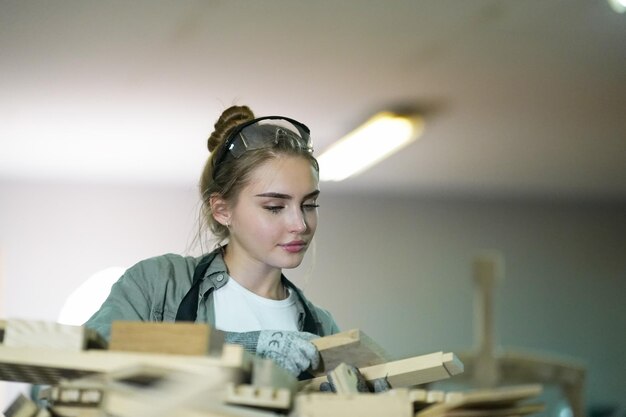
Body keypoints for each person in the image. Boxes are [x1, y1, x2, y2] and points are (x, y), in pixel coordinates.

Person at [84, 105, 340, 377]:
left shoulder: (322, 328)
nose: (300, 224)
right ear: (222, 210)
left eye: (309, 205)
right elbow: (81, 364)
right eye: (275, 207)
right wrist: (242, 349)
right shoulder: (159, 283)